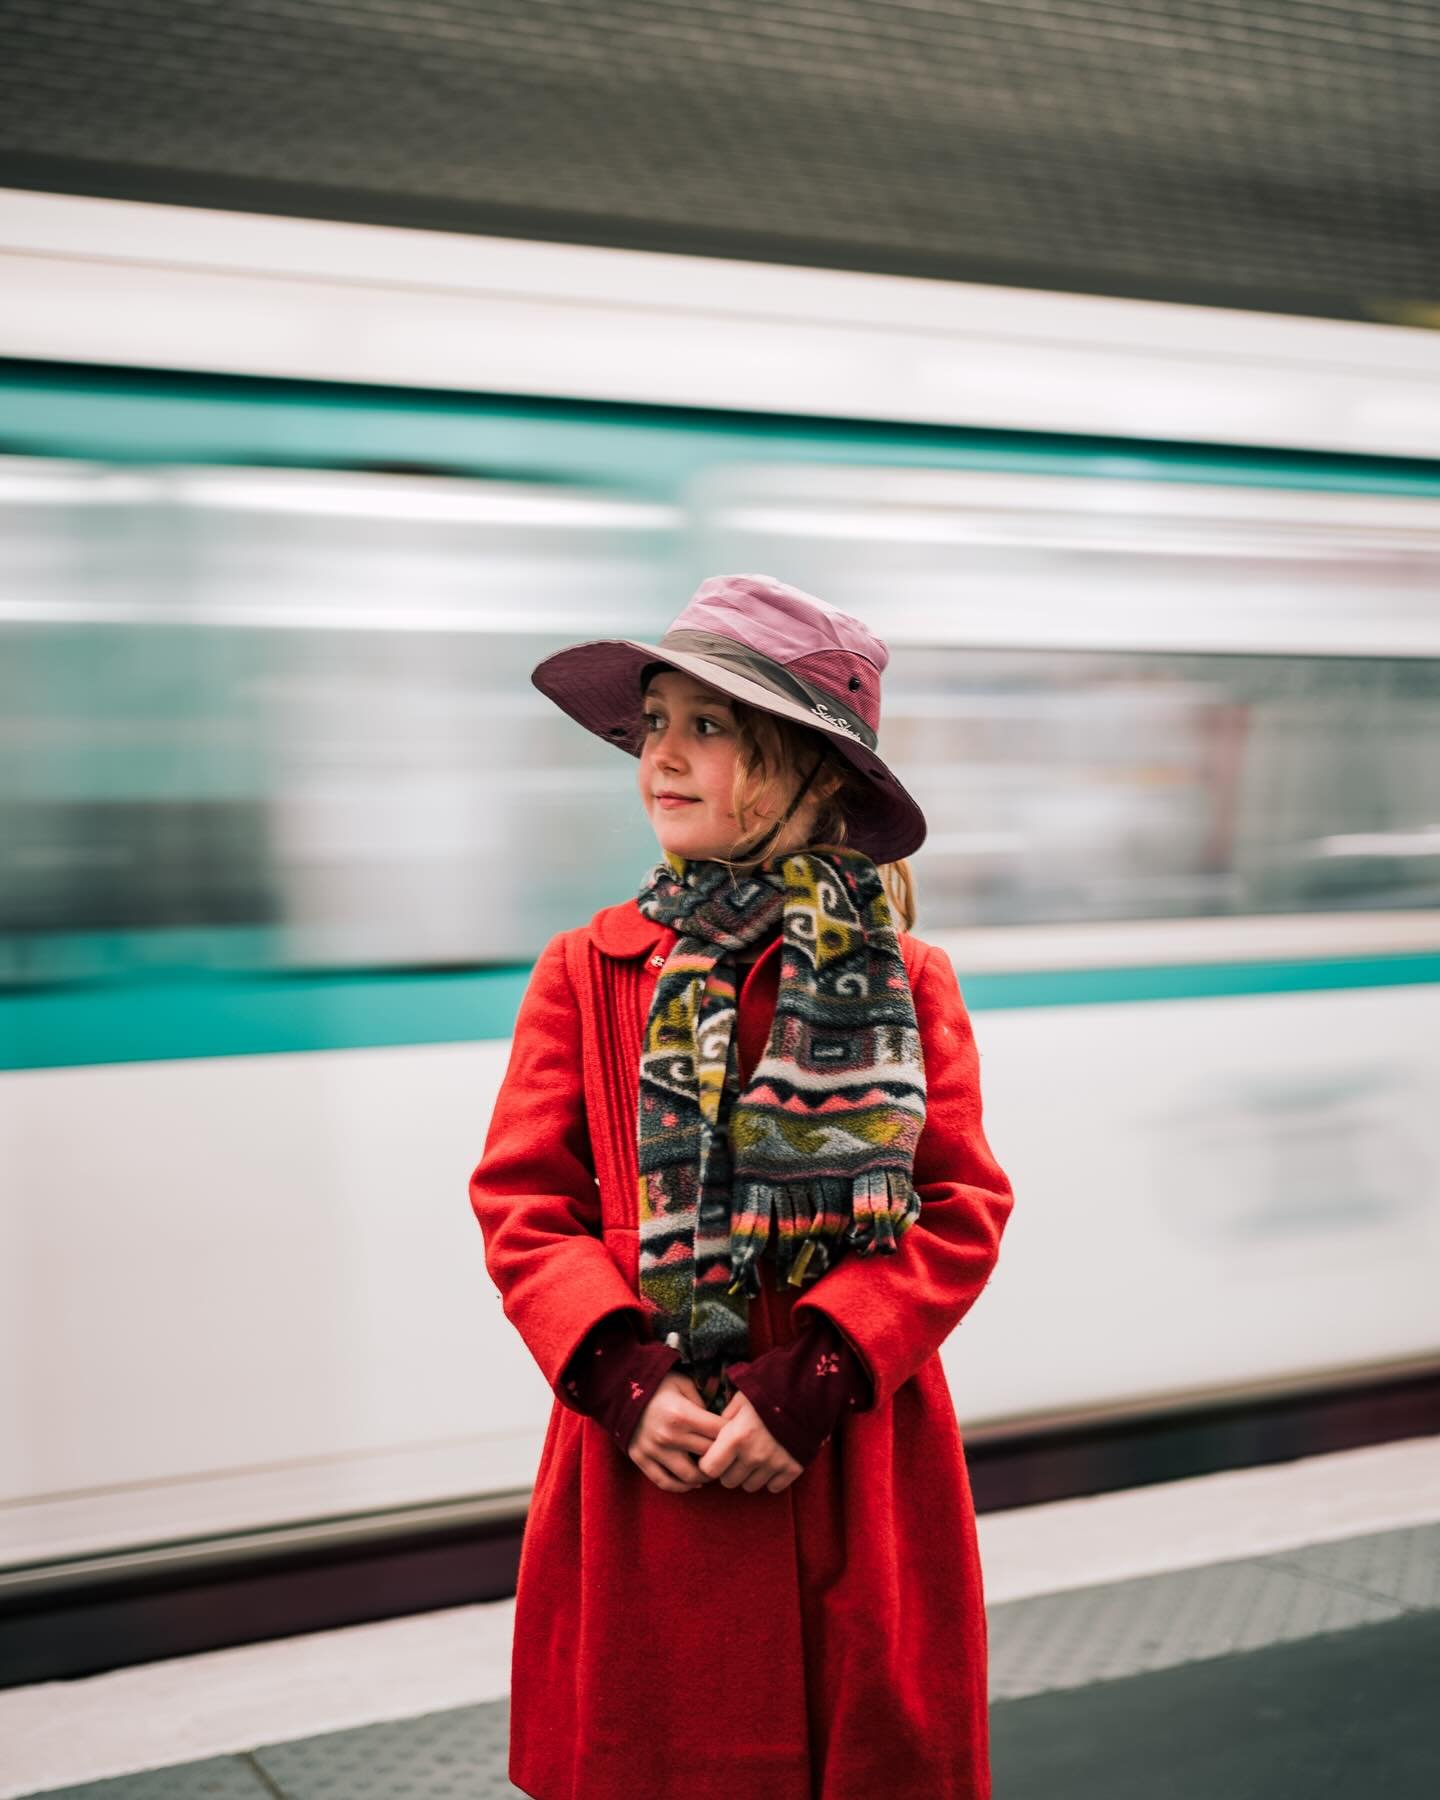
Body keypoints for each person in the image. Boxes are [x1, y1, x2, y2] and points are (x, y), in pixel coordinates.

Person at [468, 573, 1015, 1800]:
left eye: (707, 728)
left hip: (842, 1443)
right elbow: (523, 1203)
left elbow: (960, 1210)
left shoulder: (908, 979)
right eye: (652, 725)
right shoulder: (587, 969)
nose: (660, 756)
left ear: (808, 769)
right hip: (650, 1443)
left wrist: (816, 1379)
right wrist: (618, 1374)